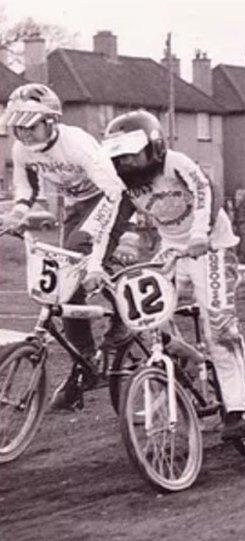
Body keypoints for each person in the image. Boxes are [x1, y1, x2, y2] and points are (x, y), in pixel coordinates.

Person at [101, 110, 245, 440]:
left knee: (218, 326)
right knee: (147, 319)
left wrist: (201, 233)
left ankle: (239, 407)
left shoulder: (176, 163)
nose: (126, 163)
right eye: (119, 157)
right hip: (172, 249)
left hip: (211, 245)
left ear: (153, 147)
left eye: (132, 154)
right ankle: (184, 360)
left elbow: (205, 191)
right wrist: (94, 263)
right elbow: (111, 224)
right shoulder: (127, 186)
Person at [0, 83, 134, 411]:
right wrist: (18, 212)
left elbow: (115, 191)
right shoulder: (22, 149)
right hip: (76, 206)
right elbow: (26, 186)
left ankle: (124, 314)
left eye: (30, 125)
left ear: (51, 121)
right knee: (64, 286)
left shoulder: (77, 145)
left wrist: (115, 238)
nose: (23, 134)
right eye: (16, 126)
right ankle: (86, 365)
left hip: (110, 198)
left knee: (80, 253)